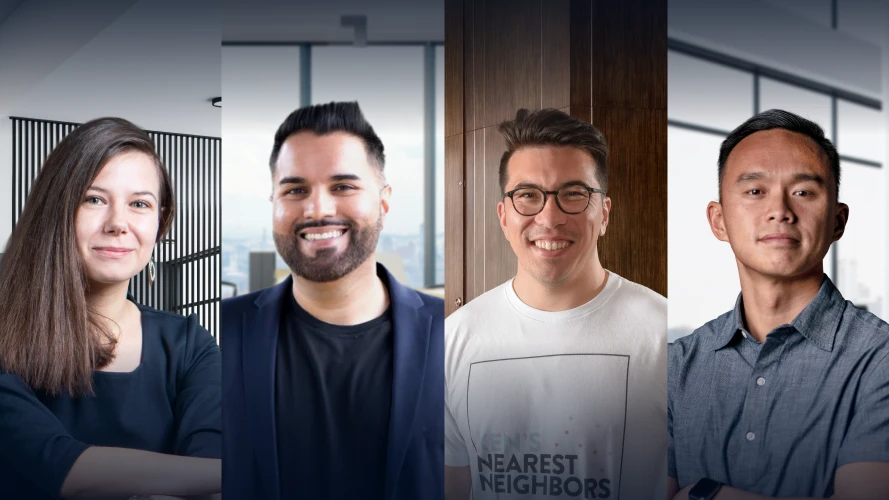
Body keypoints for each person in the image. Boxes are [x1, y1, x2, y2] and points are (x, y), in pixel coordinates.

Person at [222, 101, 444, 500]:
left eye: (343, 186)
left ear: (384, 201)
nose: (318, 209)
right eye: (295, 190)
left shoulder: (458, 333)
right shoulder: (220, 332)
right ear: (272, 205)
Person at [444, 108, 667, 500]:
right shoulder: (455, 338)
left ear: (604, 214)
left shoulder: (663, 334)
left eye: (574, 194)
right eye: (528, 195)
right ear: (503, 216)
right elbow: (454, 485)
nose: (550, 217)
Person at [668, 109, 889, 500]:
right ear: (718, 221)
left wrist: (708, 495)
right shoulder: (674, 367)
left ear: (837, 221)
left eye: (803, 192)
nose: (780, 211)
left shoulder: (879, 359)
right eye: (755, 191)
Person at [0, 117, 222, 499]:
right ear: (57, 211)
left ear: (160, 220)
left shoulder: (190, 345)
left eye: (139, 204)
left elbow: (214, 457)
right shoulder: (6, 332)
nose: (118, 223)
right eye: (94, 199)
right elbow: (59, 465)